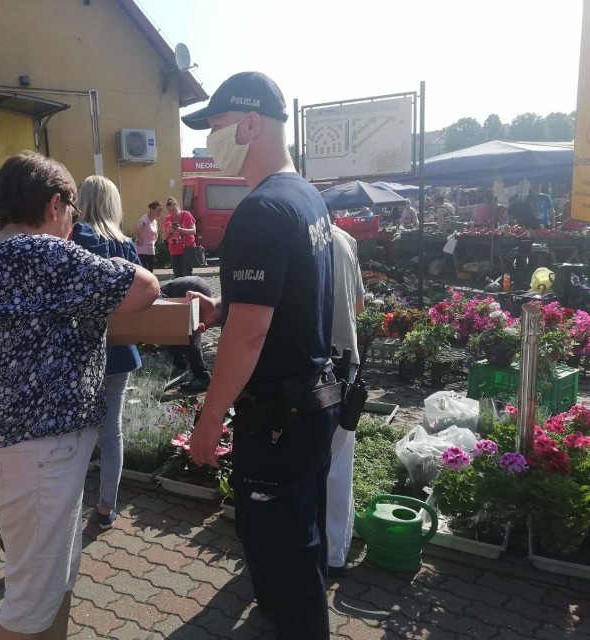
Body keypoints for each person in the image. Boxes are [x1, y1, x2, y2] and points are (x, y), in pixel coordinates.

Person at [0, 152, 159, 640]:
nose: (74, 220)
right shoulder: (49, 253)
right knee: (28, 606)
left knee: (55, 584)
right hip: (41, 455)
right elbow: (145, 287)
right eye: (72, 208)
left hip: (8, 447)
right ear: (53, 204)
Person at [182, 71, 339, 640]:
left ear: (250, 124)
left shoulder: (260, 209)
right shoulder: (305, 196)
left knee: (280, 553)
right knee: (303, 537)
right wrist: (230, 305)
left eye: (217, 126)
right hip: (312, 405)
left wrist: (208, 422)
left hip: (278, 418)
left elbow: (251, 336)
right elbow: (284, 298)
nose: (210, 141)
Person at [71, 175, 142, 531]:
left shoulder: (72, 239)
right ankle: (105, 507)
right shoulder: (126, 245)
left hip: (78, 352)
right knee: (111, 433)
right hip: (117, 350)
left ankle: (66, 507)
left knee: (77, 432)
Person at [326, 225, 365, 577]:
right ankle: (334, 552)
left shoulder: (296, 232)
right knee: (339, 460)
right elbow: (360, 304)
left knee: (307, 460)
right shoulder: (344, 239)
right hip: (345, 361)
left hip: (313, 364)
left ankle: (307, 545)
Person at [160, 276, 212, 393]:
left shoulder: (157, 291)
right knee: (186, 331)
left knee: (188, 336)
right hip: (199, 284)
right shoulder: (164, 285)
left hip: (189, 289)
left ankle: (201, 377)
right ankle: (180, 365)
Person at [162, 197, 197, 278]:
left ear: (178, 206)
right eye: (169, 211)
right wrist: (169, 231)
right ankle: (179, 290)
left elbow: (193, 231)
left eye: (174, 210)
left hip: (187, 248)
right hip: (174, 249)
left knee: (187, 272)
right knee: (177, 274)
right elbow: (164, 237)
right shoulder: (167, 219)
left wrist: (180, 229)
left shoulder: (186, 215)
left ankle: (187, 290)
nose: (172, 213)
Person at [135, 200, 161, 271]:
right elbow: (137, 227)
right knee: (144, 273)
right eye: (158, 211)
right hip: (142, 251)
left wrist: (153, 242)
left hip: (151, 250)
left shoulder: (155, 221)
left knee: (150, 272)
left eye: (160, 211)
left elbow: (155, 234)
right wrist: (140, 239)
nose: (160, 213)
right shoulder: (145, 218)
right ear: (152, 210)